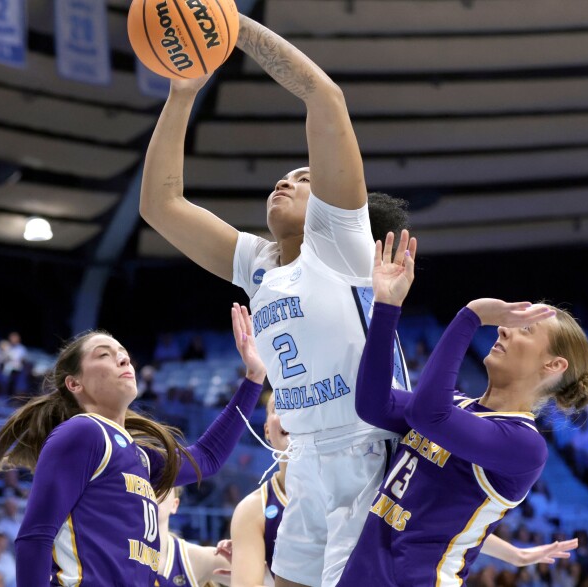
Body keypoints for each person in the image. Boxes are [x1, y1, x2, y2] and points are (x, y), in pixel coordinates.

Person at [140, 14, 410, 587]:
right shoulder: (257, 265)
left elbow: (324, 96)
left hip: (371, 450)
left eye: (304, 177)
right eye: (282, 177)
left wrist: (228, 24)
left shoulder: (342, 243)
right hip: (305, 457)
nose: (285, 182)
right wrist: (183, 92)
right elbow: (160, 206)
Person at [337, 231, 588, 586]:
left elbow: (428, 415)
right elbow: (372, 403)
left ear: (553, 366)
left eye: (525, 328)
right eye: (510, 322)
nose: (505, 329)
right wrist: (386, 306)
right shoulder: (458, 405)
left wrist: (471, 314)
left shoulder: (524, 445)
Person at [0, 306, 265, 586]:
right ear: (74, 384)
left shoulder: (138, 455)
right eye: (105, 355)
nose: (124, 360)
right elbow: (35, 538)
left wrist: (254, 378)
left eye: (125, 356)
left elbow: (207, 457)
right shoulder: (83, 432)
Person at [229, 392, 578, 587]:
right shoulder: (255, 509)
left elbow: (429, 523)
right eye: (279, 410)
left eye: (294, 406)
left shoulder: (365, 468)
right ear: (267, 428)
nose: (288, 416)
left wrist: (514, 554)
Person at [154, 487, 231, 587]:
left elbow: (254, 578)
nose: (151, 491)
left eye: (161, 485)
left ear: (175, 504)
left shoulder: (196, 558)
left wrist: (248, 560)